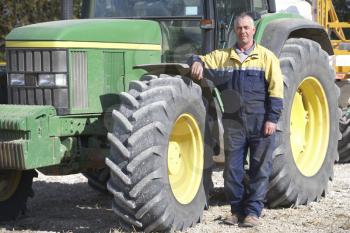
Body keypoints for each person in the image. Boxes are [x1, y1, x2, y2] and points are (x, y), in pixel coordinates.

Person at [188, 12, 283, 227]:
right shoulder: (223, 56)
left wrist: (272, 119)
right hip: (234, 123)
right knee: (233, 169)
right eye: (239, 28)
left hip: (261, 122)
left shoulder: (267, 58)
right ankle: (236, 210)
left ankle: (253, 212)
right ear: (235, 31)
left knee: (260, 169)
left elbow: (276, 92)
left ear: (253, 30)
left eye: (247, 28)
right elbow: (199, 59)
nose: (243, 31)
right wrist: (196, 62)